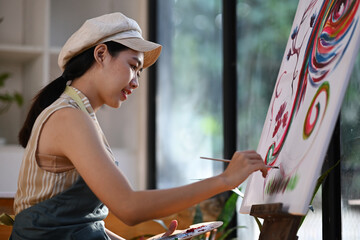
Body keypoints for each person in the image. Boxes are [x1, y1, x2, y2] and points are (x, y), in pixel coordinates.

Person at [10, 12, 267, 240]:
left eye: (140, 73)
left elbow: (81, 222)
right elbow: (129, 208)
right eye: (133, 66)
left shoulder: (80, 116)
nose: (135, 82)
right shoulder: (69, 117)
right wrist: (225, 179)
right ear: (101, 54)